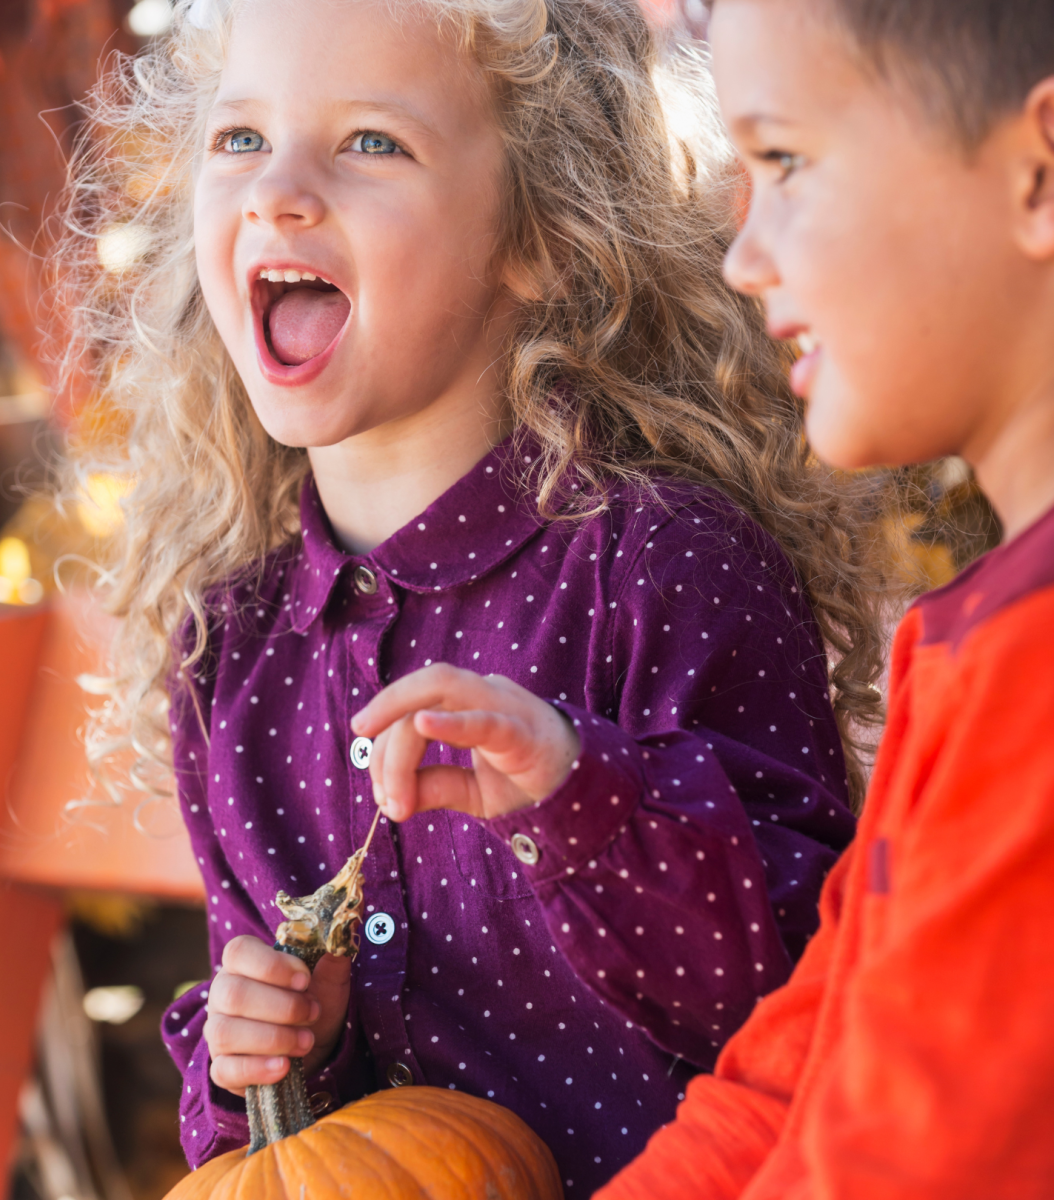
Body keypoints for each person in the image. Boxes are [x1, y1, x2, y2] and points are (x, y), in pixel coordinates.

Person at [57, 0, 886, 1191]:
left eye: (370, 144)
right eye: (239, 138)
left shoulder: (667, 570)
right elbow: (269, 1160)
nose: (278, 191)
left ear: (540, 232)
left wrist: (582, 804)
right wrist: (268, 1054)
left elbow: (813, 988)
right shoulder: (230, 655)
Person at [598, 1, 1054, 1197]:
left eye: (786, 161)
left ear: (1038, 176)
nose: (744, 256)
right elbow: (793, 1072)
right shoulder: (969, 645)